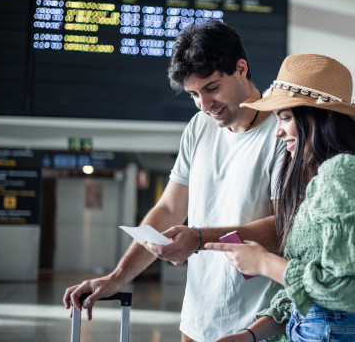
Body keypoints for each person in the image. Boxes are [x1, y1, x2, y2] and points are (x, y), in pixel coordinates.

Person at [63, 21, 285, 342]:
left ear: (240, 68)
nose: (204, 105)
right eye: (194, 94)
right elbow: (168, 208)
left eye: (211, 88)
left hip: (259, 324)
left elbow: (284, 228)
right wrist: (117, 277)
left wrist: (197, 237)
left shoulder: (282, 133)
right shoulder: (199, 127)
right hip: (198, 320)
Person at [206, 53, 355, 342]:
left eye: (285, 118)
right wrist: (248, 336)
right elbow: (306, 296)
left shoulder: (341, 173)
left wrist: (264, 263)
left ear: (317, 118)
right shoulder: (322, 178)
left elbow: (343, 290)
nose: (278, 132)